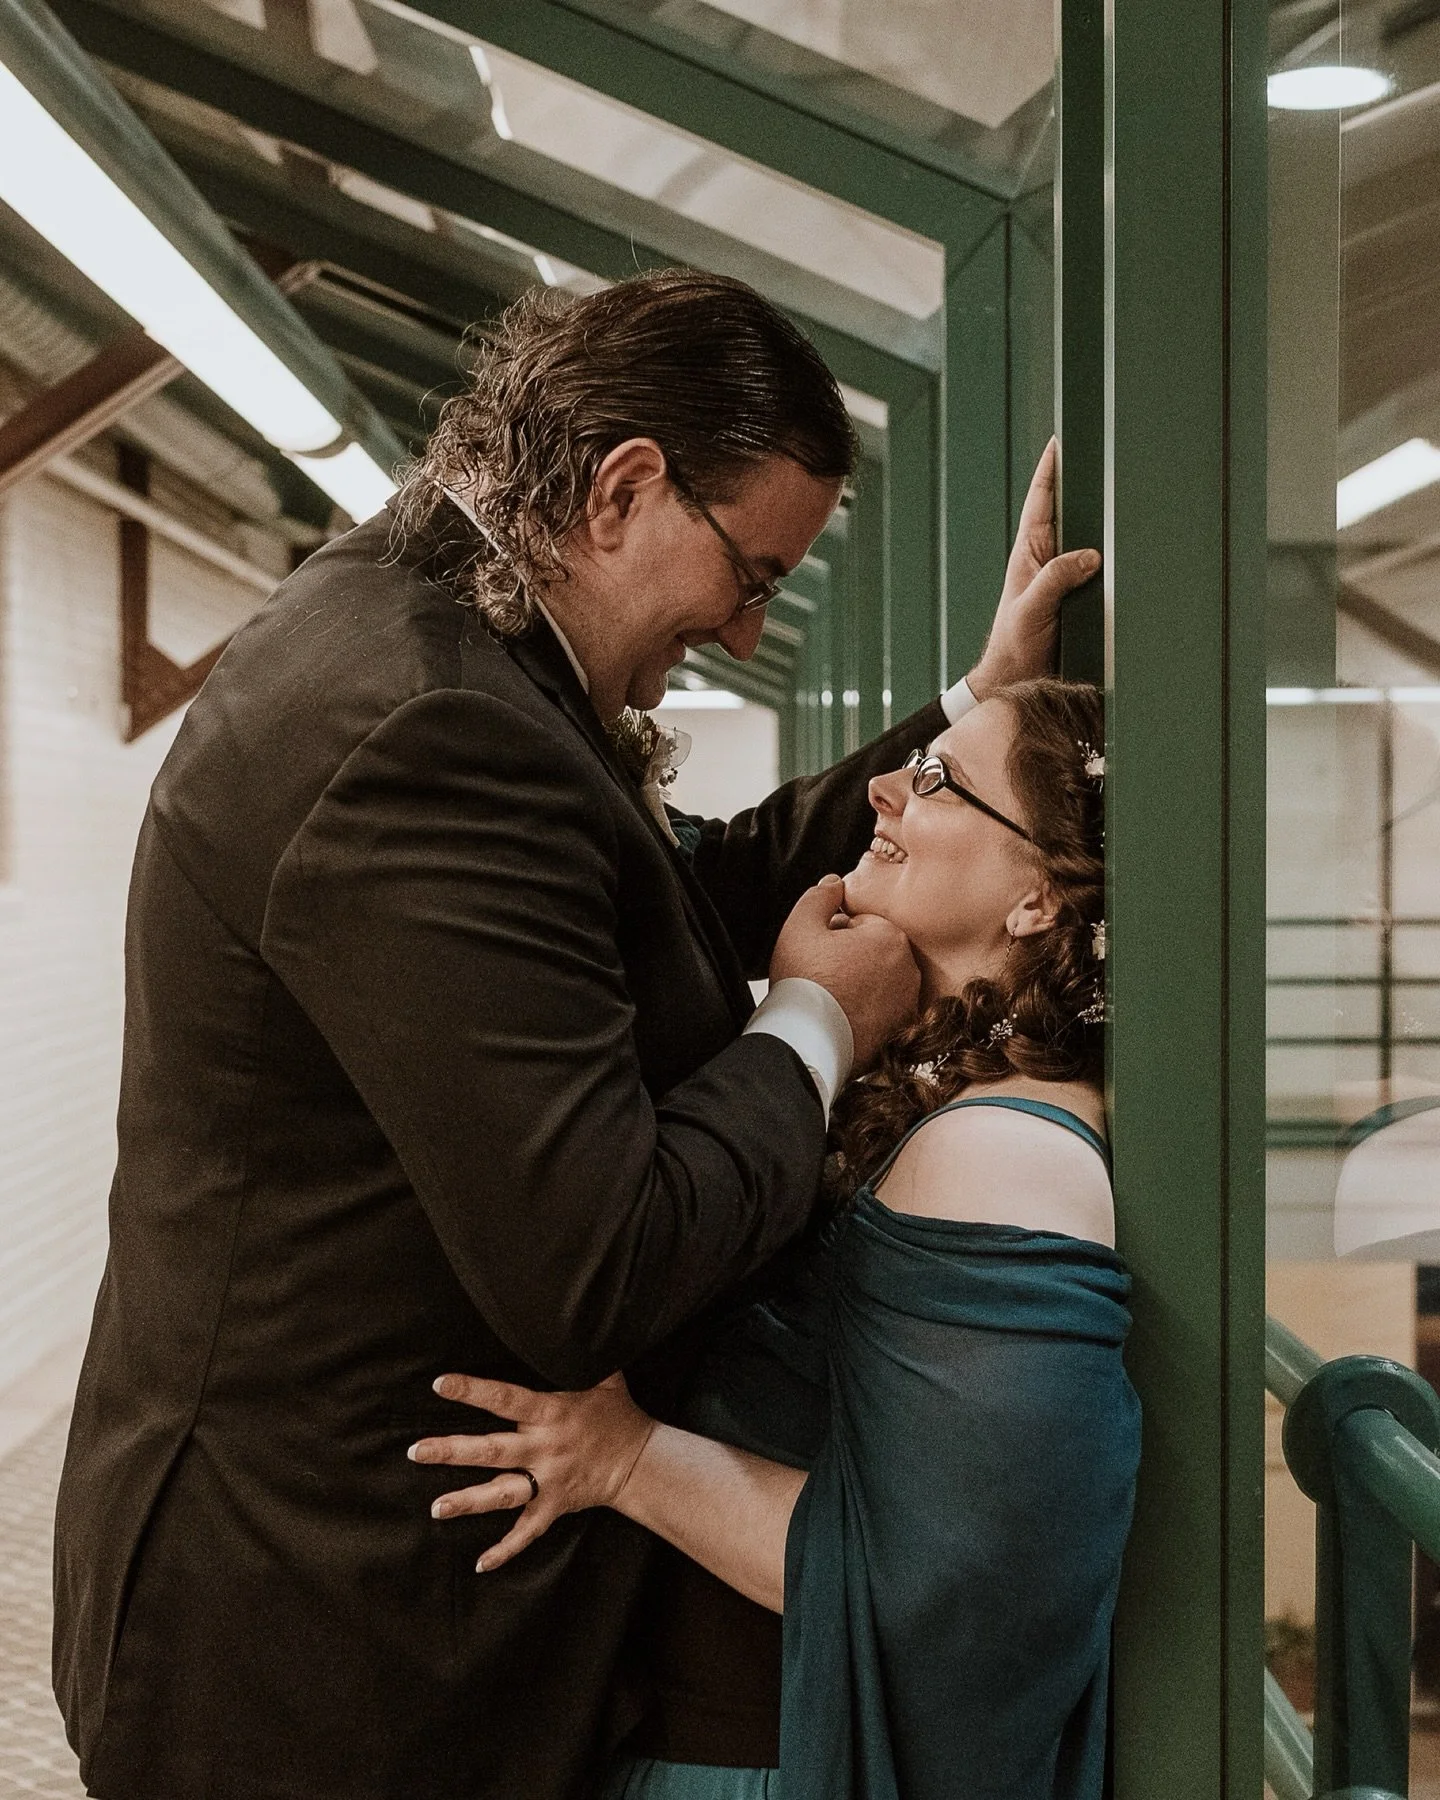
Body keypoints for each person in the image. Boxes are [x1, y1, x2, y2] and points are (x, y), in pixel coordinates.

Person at [52, 269, 1098, 1800]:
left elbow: (666, 894)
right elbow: (594, 1260)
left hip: (334, 1599)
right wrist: (814, 1016)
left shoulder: (436, 634)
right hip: (322, 1646)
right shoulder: (429, 722)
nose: (748, 636)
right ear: (625, 488)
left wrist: (971, 712)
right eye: (750, 577)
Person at [413, 679, 1140, 1800]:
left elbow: (944, 1582)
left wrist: (625, 1458)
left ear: (1039, 897)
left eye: (940, 781)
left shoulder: (1003, 1156)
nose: (889, 787)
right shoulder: (944, 1089)